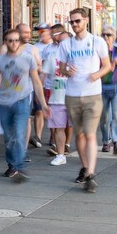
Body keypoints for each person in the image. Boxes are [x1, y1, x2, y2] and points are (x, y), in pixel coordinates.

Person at [0, 29, 51, 182]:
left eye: (16, 40)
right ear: (5, 42)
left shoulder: (28, 58)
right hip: (4, 102)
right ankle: (12, 164)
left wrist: (43, 104)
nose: (13, 43)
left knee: (18, 133)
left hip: (22, 101)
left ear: (20, 41)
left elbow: (37, 82)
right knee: (9, 137)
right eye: (10, 40)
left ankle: (18, 165)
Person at [57, 9, 111, 192]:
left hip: (93, 95)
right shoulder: (66, 44)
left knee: (89, 134)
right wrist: (66, 71)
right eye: (71, 22)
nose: (74, 25)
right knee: (79, 135)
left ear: (86, 20)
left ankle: (91, 174)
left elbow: (107, 66)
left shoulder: (97, 41)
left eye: (77, 21)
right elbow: (62, 68)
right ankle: (85, 167)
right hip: (72, 95)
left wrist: (98, 74)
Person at [44, 25, 72, 166]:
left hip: (75, 96)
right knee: (58, 126)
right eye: (63, 41)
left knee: (79, 128)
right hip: (56, 97)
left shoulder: (78, 57)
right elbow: (43, 76)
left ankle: (84, 154)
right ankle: (61, 155)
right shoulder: (52, 56)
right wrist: (42, 95)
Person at [100, 29, 117, 154]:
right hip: (101, 87)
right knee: (104, 117)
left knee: (116, 115)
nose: (106, 37)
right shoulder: (98, 51)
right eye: (103, 34)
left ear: (114, 37)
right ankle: (106, 141)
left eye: (109, 35)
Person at [30, 23, 53, 147]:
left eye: (43, 31)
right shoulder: (35, 47)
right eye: (39, 32)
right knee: (38, 110)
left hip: (52, 84)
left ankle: (52, 136)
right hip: (38, 83)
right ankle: (38, 136)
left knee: (51, 111)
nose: (41, 34)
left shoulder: (54, 46)